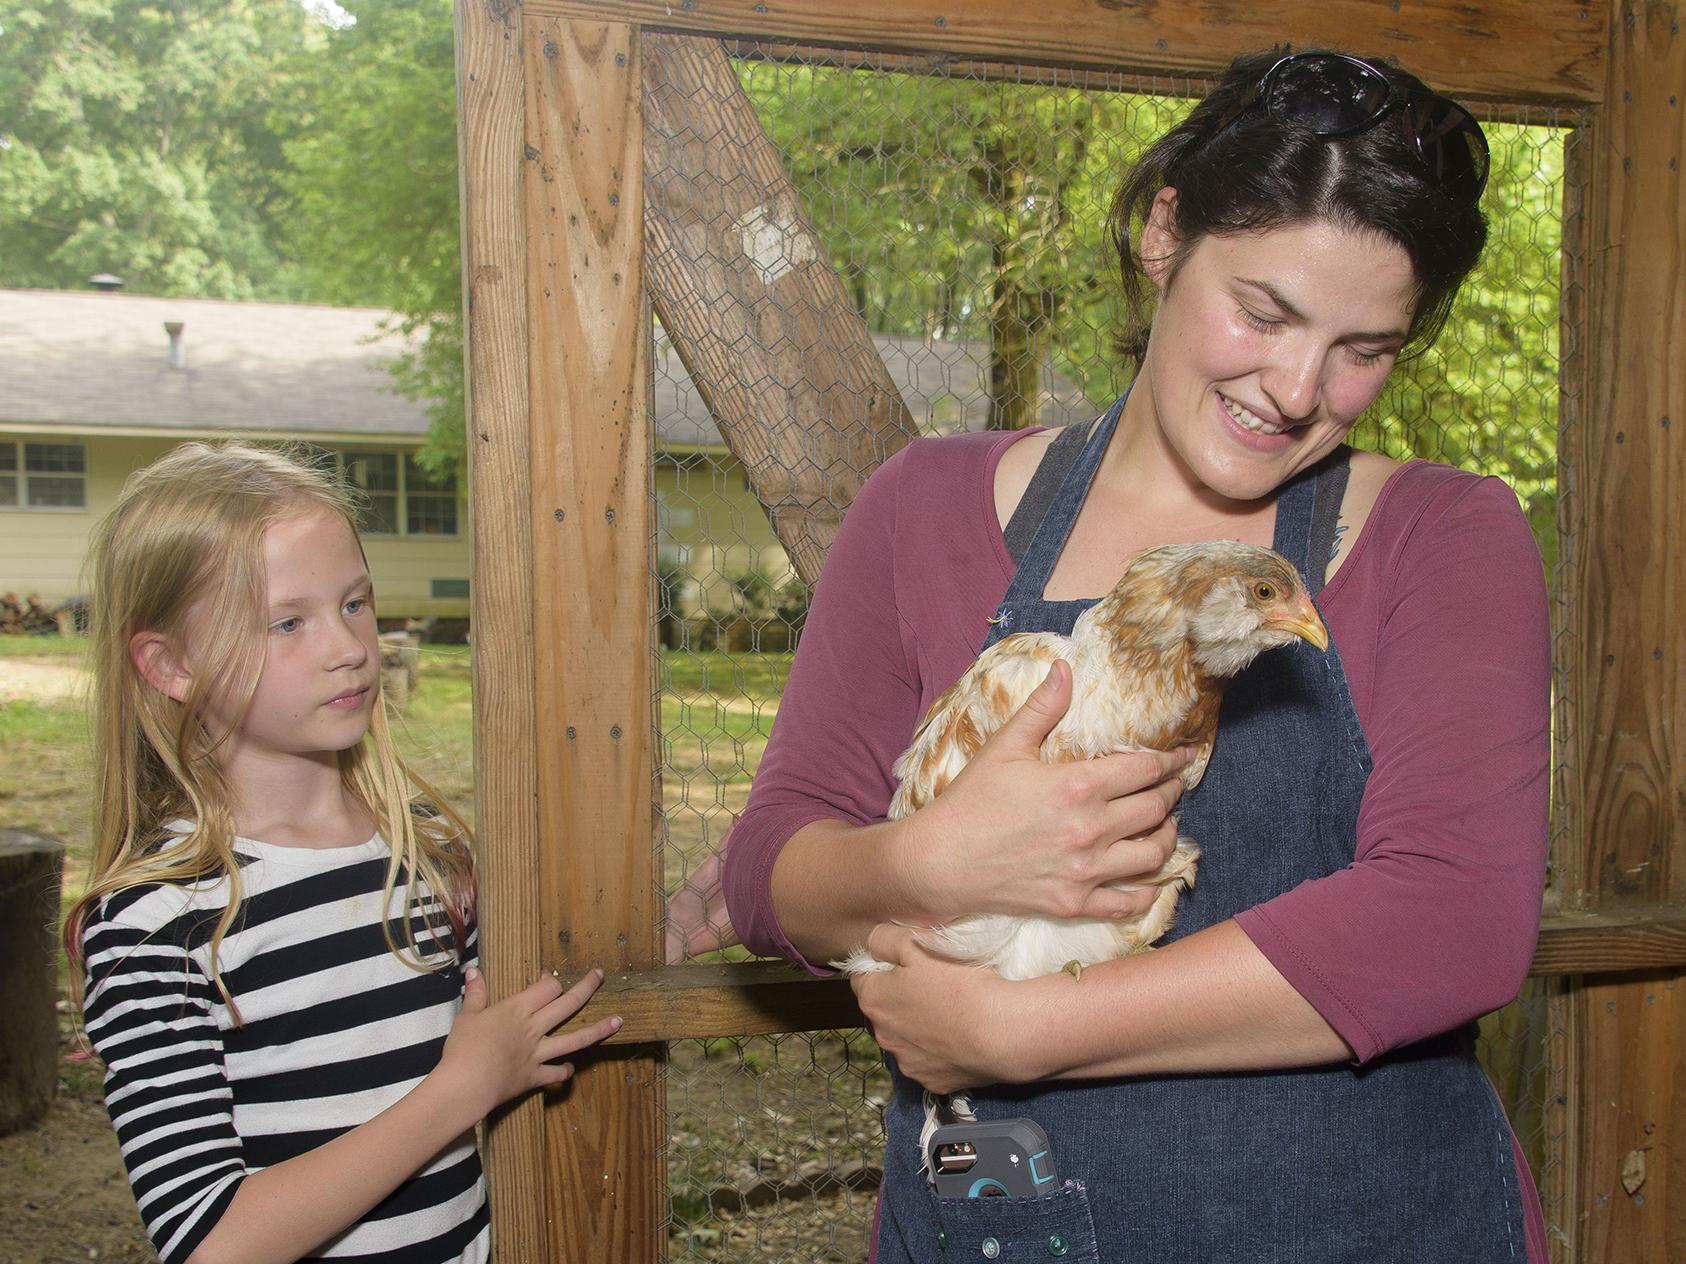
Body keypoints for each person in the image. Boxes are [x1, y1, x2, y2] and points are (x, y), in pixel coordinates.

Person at [718, 49, 1551, 1261]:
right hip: (1011, 1212)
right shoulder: (927, 507)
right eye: (1262, 312)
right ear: (1165, 232)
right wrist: (926, 862)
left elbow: (1454, 921)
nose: (1296, 386)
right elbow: (766, 870)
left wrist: (1018, 1035)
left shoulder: (1446, 535)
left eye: (1364, 348)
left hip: (1366, 1222)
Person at [66, 443, 622, 1264]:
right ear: (170, 665)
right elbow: (210, 1243)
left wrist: (662, 934)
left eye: (354, 603)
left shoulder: (428, 858)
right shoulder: (157, 925)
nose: (349, 646)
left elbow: (527, 1015)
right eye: (288, 622)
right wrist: (460, 1092)